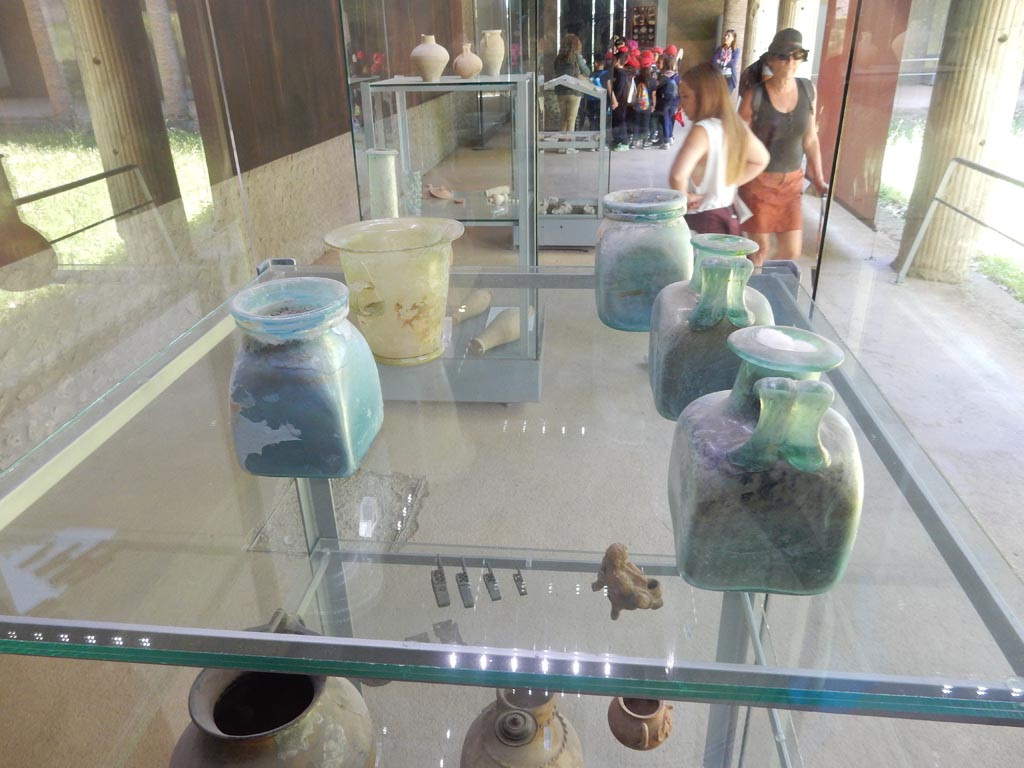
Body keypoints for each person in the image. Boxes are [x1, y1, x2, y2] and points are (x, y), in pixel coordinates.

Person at [738, 28, 827, 264]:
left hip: (792, 184)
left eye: (798, 55)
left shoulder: (808, 90)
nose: (790, 62)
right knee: (759, 251)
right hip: (757, 183)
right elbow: (736, 139)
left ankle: (767, 282)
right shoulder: (755, 96)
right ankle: (750, 284)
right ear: (771, 60)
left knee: (791, 251)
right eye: (784, 56)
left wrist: (818, 178)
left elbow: (810, 137)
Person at [668, 62, 769, 234]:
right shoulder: (735, 125)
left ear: (704, 96)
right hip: (727, 214)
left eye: (685, 96)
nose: (681, 104)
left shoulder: (702, 130)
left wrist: (684, 197)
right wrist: (725, 185)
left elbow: (678, 175)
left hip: (703, 219)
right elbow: (761, 160)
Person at [553, 33, 590, 137]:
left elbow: (556, 70)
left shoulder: (558, 58)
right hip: (574, 91)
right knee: (571, 119)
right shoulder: (577, 57)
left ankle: (561, 142)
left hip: (561, 91)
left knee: (563, 118)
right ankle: (569, 143)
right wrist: (583, 62)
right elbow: (587, 72)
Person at [608, 49, 635, 151]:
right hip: (616, 101)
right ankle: (617, 140)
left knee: (620, 122)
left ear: (618, 60)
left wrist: (615, 100)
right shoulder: (616, 72)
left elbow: (619, 88)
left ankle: (623, 142)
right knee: (615, 121)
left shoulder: (622, 73)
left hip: (620, 102)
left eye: (614, 59)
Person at [654, 53, 679, 149]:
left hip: (664, 101)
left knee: (665, 120)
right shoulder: (676, 76)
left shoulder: (663, 77)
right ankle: (670, 137)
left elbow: (657, 87)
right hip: (675, 101)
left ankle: (666, 141)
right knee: (671, 119)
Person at [712, 29, 739, 94]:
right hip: (719, 77)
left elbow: (732, 64)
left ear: (733, 39)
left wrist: (720, 61)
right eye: (725, 35)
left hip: (729, 78)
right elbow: (713, 60)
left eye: (728, 36)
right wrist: (726, 62)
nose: (726, 37)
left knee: (725, 96)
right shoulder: (720, 49)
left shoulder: (736, 50)